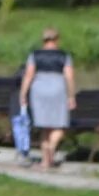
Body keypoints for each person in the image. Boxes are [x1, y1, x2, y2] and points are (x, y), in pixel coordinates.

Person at [18, 27, 76, 171]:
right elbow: (69, 76)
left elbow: (29, 75)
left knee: (44, 126)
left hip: (39, 89)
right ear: (57, 39)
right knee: (60, 124)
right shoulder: (64, 56)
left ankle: (45, 161)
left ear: (43, 40)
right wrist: (71, 95)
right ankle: (52, 146)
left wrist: (23, 94)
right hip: (58, 89)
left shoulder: (34, 55)